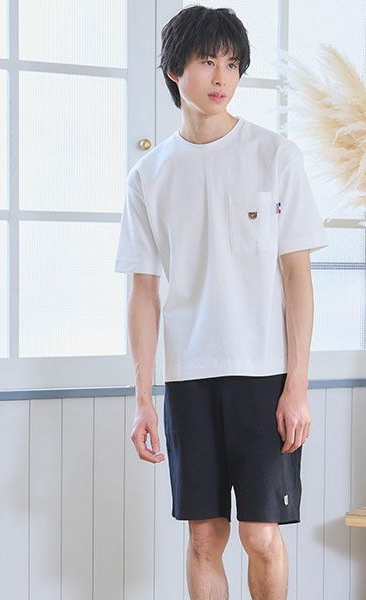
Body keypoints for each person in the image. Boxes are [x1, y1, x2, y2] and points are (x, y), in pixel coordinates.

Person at [114, 5, 329, 599]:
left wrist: (297, 386)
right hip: (188, 379)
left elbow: (297, 278)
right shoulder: (149, 176)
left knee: (261, 537)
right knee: (204, 539)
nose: (221, 77)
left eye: (232, 64)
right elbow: (144, 293)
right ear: (174, 70)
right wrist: (142, 399)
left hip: (264, 376)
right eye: (208, 61)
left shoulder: (275, 156)